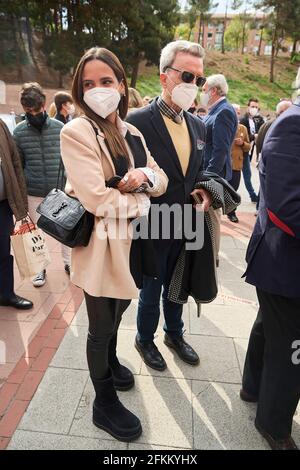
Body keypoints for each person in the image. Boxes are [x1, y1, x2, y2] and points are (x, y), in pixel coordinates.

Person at [60, 47, 168, 442]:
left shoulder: (133, 132)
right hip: (101, 248)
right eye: (88, 84)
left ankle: (109, 363)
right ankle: (102, 403)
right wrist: (142, 197)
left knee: (120, 310)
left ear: (121, 86)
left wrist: (141, 177)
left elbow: (162, 180)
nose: (98, 90)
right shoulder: (77, 131)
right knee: (101, 326)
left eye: (106, 81)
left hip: (133, 243)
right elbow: (97, 198)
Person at [127, 40, 211, 371]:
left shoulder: (199, 125)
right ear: (165, 77)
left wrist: (204, 191)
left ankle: (174, 334)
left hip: (189, 220)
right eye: (187, 76)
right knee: (152, 287)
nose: (194, 86)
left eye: (199, 80)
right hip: (153, 221)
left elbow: (198, 172)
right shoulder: (137, 121)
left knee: (180, 284)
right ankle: (144, 338)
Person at [240, 85, 300, 450]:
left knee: (270, 327)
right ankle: (274, 425)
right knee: (292, 345)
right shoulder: (293, 125)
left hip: (285, 261)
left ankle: (252, 387)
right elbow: (287, 205)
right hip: (286, 261)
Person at [13, 82, 71, 285]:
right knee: (36, 234)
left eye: (36, 109)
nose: (33, 114)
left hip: (59, 189)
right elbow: (18, 165)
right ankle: (40, 269)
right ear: (23, 109)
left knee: (65, 228)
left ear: (44, 103)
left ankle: (69, 263)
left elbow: (69, 159)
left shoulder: (60, 128)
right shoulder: (18, 132)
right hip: (33, 191)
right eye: (28, 111)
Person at [201, 74, 238, 263]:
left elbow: (220, 149)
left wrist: (209, 178)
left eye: (204, 89)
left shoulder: (224, 111)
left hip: (213, 176)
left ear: (214, 91)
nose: (202, 93)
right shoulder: (215, 110)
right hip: (209, 172)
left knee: (213, 217)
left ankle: (212, 257)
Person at [0, 119, 33, 309]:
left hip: (3, 204)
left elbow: (14, 161)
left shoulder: (1, 125)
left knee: (4, 252)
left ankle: (6, 294)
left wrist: (20, 202)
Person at [227, 104, 251, 223]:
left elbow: (248, 147)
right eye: (234, 111)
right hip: (223, 165)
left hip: (236, 165)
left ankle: (231, 212)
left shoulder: (242, 128)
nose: (236, 113)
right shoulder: (224, 124)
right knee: (219, 188)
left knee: (233, 189)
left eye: (237, 111)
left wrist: (242, 143)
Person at [240, 98, 264, 202]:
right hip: (243, 150)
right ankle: (252, 195)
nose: (254, 109)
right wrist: (254, 136)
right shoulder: (243, 120)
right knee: (247, 174)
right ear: (248, 107)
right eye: (252, 106)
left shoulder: (258, 120)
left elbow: (262, 131)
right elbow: (242, 137)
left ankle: (255, 195)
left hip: (253, 150)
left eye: (256, 107)